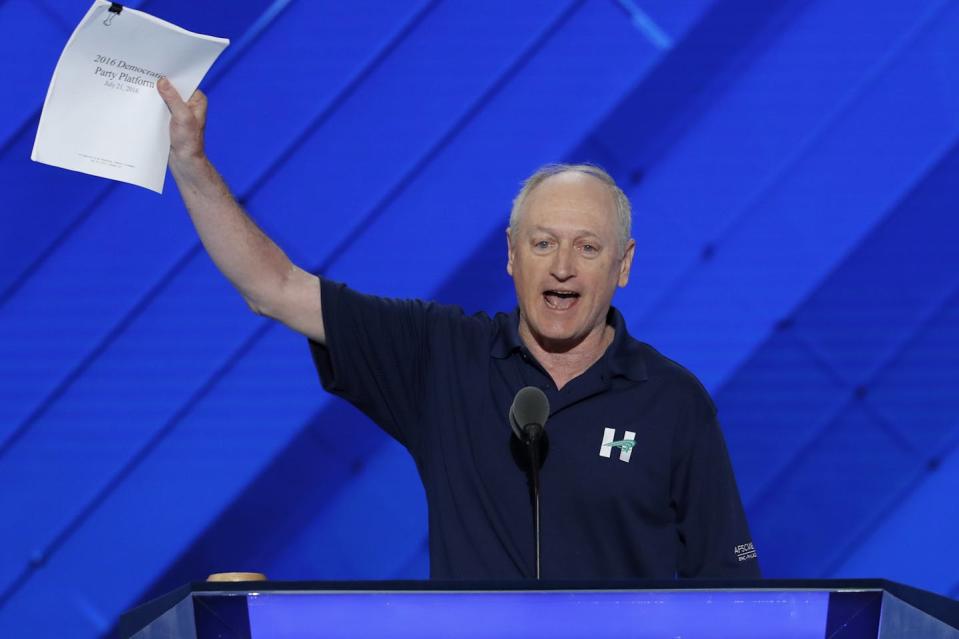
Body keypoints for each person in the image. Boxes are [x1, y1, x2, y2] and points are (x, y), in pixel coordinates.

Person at [157, 78, 760, 580]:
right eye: (542, 242)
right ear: (511, 255)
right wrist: (190, 165)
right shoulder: (443, 356)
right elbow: (275, 289)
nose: (562, 267)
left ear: (624, 265)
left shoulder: (674, 401)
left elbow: (733, 591)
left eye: (588, 247)